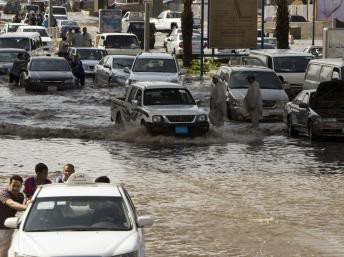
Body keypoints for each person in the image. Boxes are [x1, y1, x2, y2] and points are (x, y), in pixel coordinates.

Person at [0, 175, 31, 257]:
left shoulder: (20, 196)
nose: (16, 188)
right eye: (13, 185)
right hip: (1, 228)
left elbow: (22, 205)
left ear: (21, 186)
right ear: (9, 184)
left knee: (4, 250)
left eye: (18, 186)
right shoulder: (3, 193)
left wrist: (28, 202)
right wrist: (27, 207)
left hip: (7, 227)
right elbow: (11, 204)